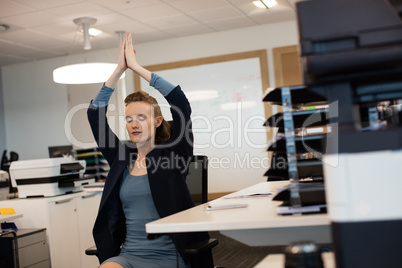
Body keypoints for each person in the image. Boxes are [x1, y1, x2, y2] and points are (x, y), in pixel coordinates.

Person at [87, 33, 213, 268]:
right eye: (129, 119)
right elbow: (95, 115)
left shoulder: (175, 154)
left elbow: (181, 105)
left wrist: (136, 67)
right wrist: (118, 72)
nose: (134, 124)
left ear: (156, 121)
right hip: (129, 255)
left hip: (171, 257)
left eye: (141, 118)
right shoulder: (120, 157)